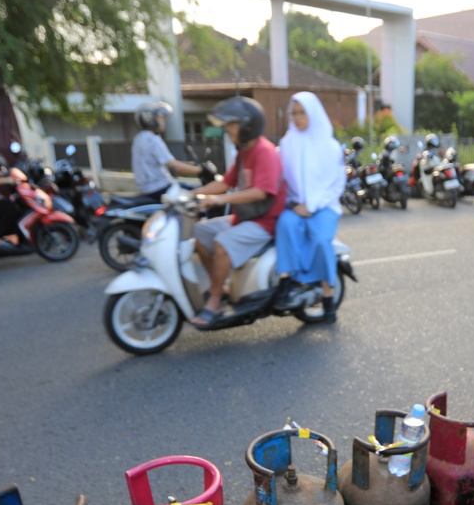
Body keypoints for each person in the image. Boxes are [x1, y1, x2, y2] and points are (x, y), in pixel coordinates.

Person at [188, 96, 286, 328]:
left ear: (248, 125)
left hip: (265, 221)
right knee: (200, 234)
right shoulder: (244, 152)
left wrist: (219, 199)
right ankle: (219, 287)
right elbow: (225, 182)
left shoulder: (264, 152)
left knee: (222, 242)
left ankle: (214, 301)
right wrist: (194, 194)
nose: (227, 129)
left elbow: (262, 192)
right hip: (245, 217)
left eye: (232, 124)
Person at [273, 92, 344, 323]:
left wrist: (313, 206)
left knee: (321, 240)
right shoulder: (286, 144)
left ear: (313, 112)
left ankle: (327, 298)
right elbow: (279, 179)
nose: (297, 117)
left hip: (324, 207)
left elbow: (337, 185)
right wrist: (294, 205)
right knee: (285, 225)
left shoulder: (330, 147)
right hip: (295, 206)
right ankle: (286, 282)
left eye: (302, 112)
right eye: (293, 113)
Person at [131, 101, 201, 199]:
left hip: (148, 188)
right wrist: (200, 170)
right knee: (195, 193)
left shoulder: (139, 138)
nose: (164, 121)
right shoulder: (153, 139)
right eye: (161, 118)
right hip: (159, 188)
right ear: (150, 120)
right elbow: (172, 165)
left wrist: (188, 164)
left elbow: (163, 162)